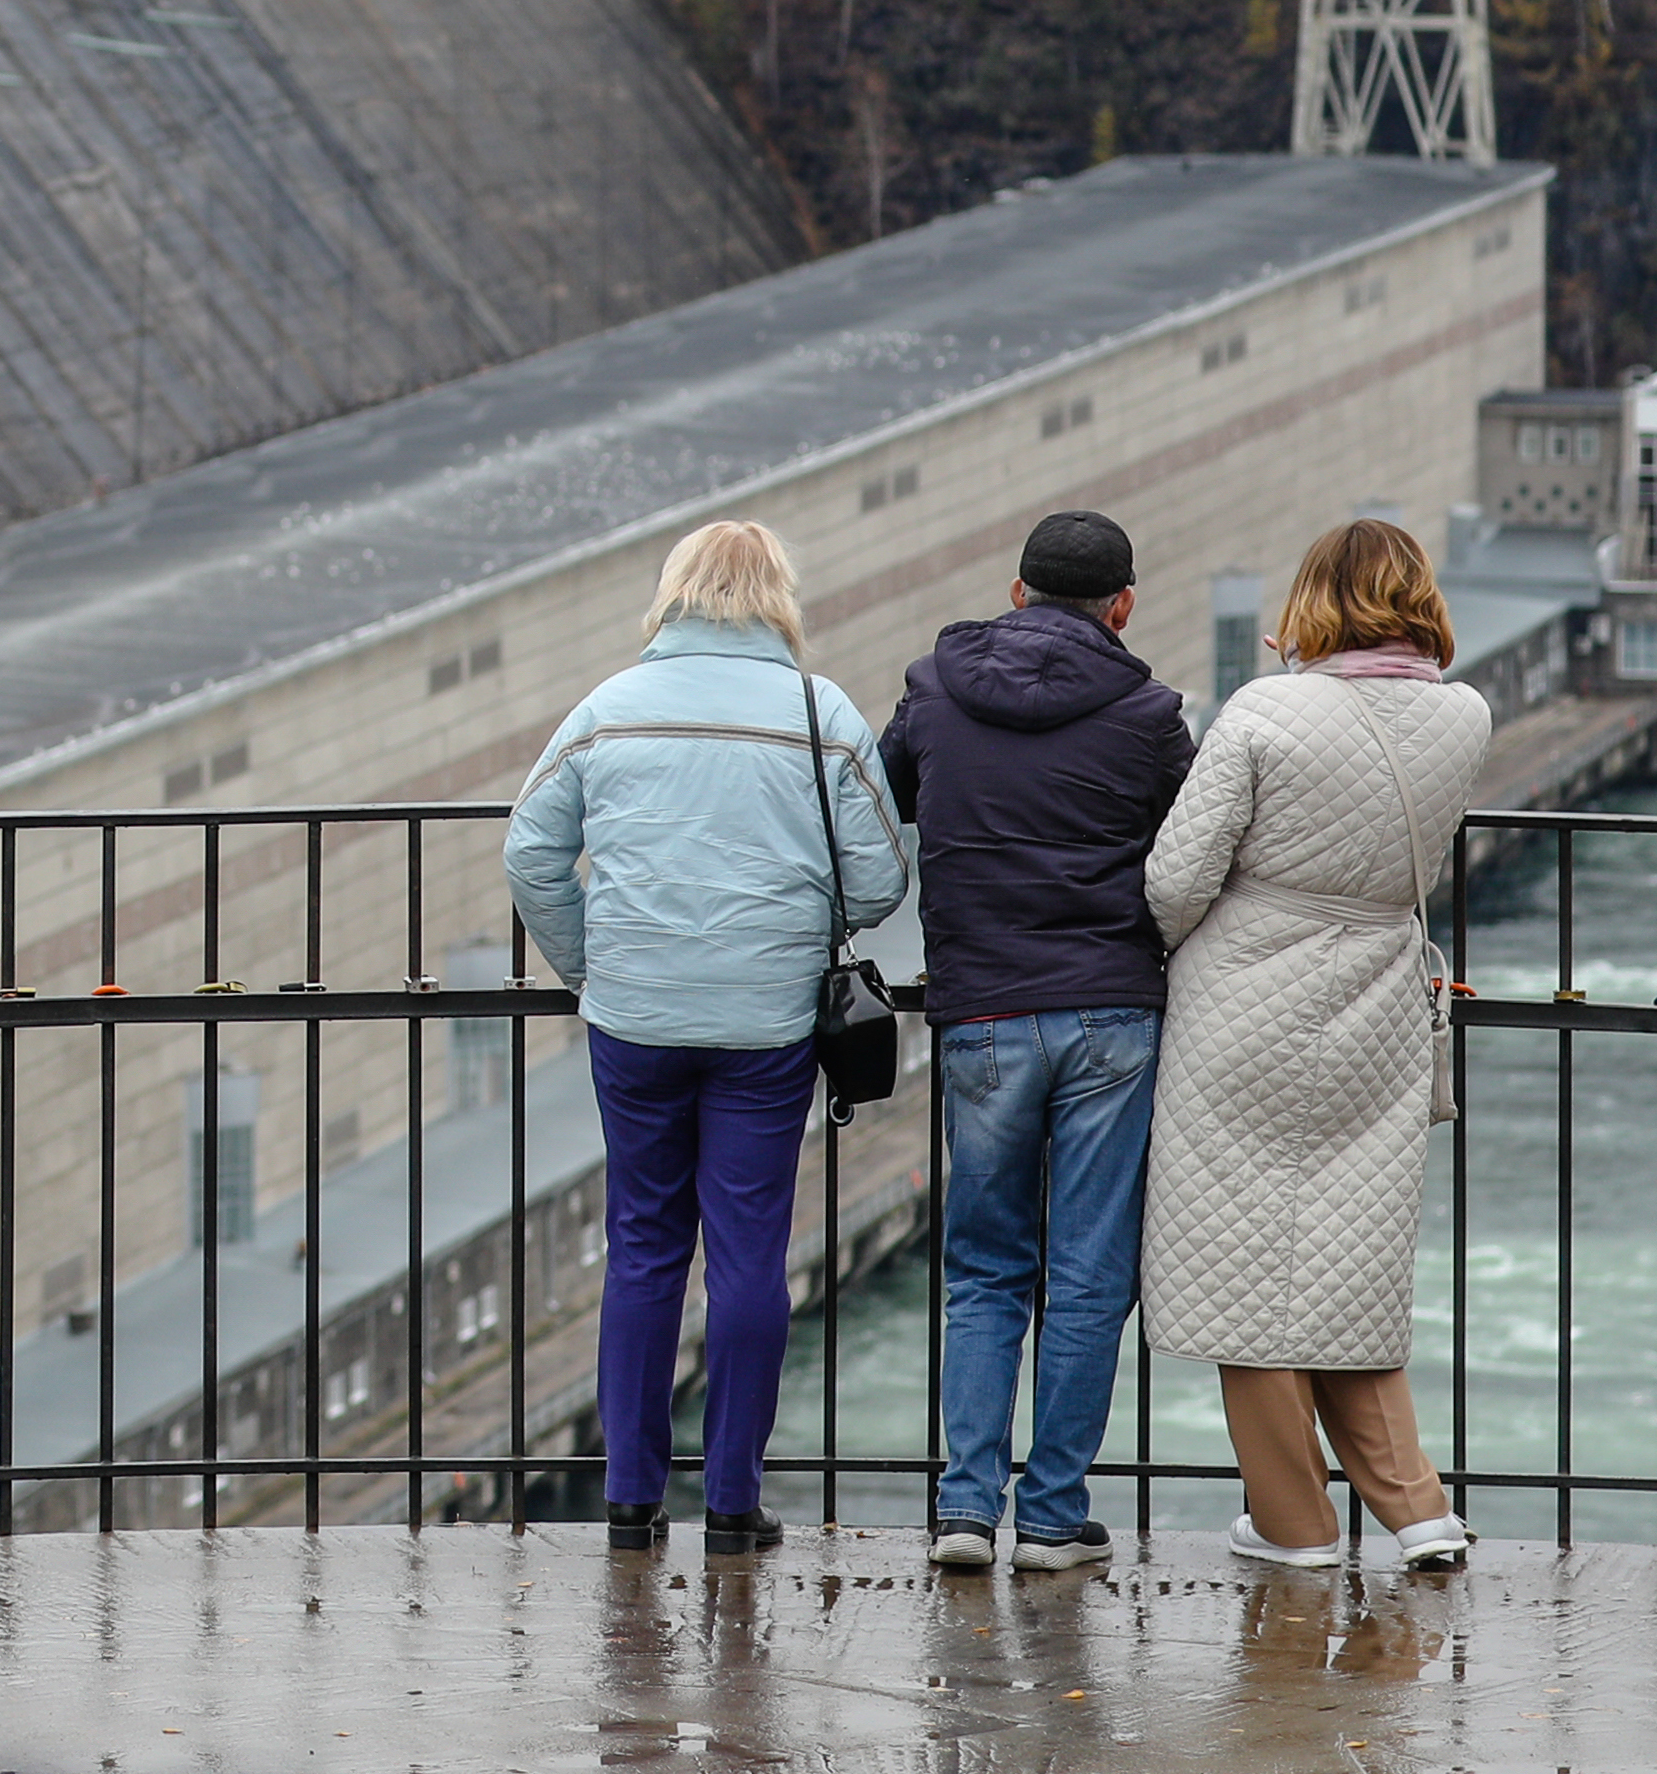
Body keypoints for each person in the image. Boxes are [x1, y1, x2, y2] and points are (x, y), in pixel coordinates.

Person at [502, 519, 910, 1557]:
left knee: (642, 1245)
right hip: (765, 1022)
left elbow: (530, 852)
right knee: (748, 1255)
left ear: (674, 595)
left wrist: (590, 962)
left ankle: (631, 1498)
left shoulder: (609, 708)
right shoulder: (821, 715)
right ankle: (732, 1501)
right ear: (779, 596)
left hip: (634, 1018)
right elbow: (878, 877)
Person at [1141, 517, 1492, 1576]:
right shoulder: (1463, 714)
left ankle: (1294, 1524)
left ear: (1313, 598)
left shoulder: (1265, 709)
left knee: (1242, 1275)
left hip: (1246, 1003)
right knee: (1349, 1263)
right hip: (1379, 993)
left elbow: (1174, 877)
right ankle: (1418, 1506)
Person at [882, 507, 1196, 1577]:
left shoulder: (934, 687)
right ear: (1123, 606)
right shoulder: (1150, 712)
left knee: (982, 1267)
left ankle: (964, 1509)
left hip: (980, 1009)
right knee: (1090, 1268)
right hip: (1112, 1006)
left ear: (1015, 593)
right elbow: (1192, 845)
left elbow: (897, 796)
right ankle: (1053, 1516)